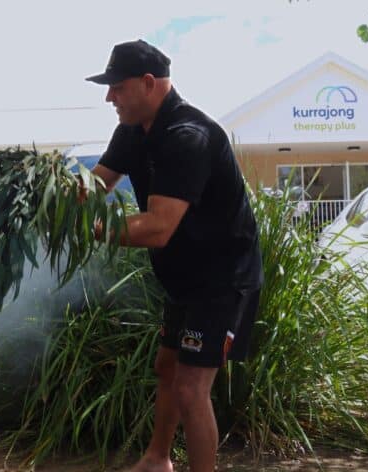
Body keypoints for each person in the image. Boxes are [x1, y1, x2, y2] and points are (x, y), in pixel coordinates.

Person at [85, 40, 263, 472]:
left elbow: (159, 227)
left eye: (117, 87)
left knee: (189, 387)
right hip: (186, 278)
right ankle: (157, 459)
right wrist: (47, 200)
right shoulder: (132, 129)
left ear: (149, 84)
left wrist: (87, 232)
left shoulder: (189, 136)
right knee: (168, 367)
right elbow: (94, 188)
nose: (109, 97)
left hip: (223, 279)